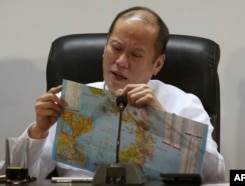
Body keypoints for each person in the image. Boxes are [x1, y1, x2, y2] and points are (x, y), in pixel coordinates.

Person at [0, 6, 225, 183]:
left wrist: (164, 122)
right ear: (104, 47)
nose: (121, 62)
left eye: (136, 55)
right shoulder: (72, 102)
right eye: (115, 48)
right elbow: (20, 177)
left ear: (157, 63)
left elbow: (216, 177)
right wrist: (38, 131)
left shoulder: (183, 105)